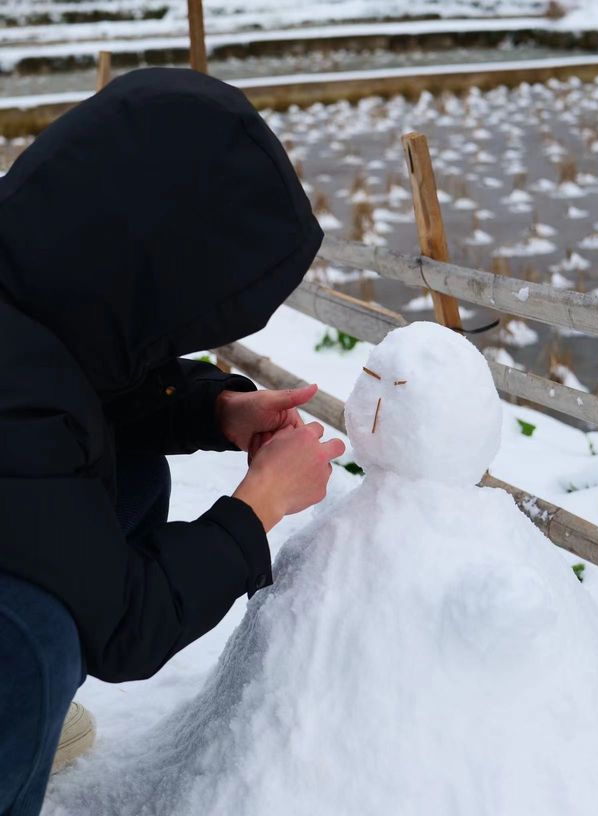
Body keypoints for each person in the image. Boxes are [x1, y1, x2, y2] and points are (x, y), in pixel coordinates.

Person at [0, 67, 345, 815]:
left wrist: (215, 410)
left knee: (126, 476)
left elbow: (81, 380)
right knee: (30, 634)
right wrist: (256, 507)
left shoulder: (27, 273)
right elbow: (129, 625)